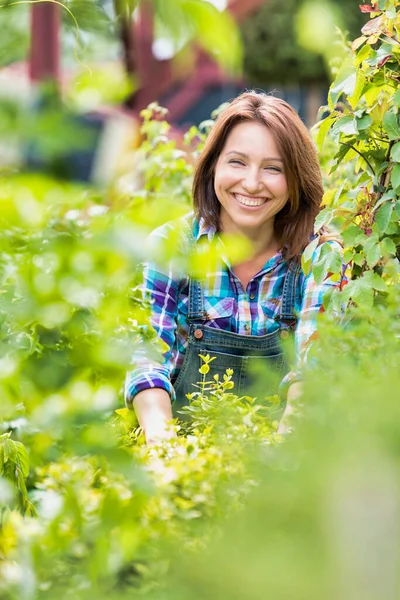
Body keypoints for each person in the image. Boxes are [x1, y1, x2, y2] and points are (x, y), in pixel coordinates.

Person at [125, 91, 344, 445]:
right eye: (237, 162)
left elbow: (314, 371)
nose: (252, 183)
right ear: (213, 165)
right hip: (182, 447)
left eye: (273, 168)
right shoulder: (172, 247)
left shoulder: (319, 257)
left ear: (297, 179)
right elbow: (147, 357)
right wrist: (164, 449)